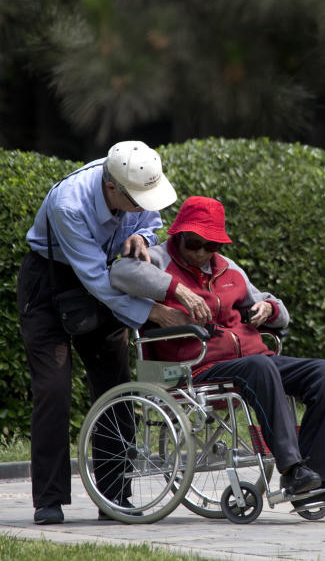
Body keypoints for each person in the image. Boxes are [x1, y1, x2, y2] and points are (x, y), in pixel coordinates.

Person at [109, 196, 325, 505]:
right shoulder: (157, 259)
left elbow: (277, 310)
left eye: (210, 246)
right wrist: (176, 290)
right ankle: (293, 470)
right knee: (258, 368)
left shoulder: (229, 268)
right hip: (197, 366)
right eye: (193, 243)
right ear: (177, 235)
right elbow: (118, 274)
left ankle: (319, 479)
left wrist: (268, 307)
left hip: (252, 360)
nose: (201, 253)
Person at [17, 140, 193, 525]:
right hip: (49, 284)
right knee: (53, 389)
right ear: (112, 188)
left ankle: (115, 496)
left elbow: (151, 222)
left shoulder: (134, 176)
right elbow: (94, 278)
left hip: (106, 279)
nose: (146, 204)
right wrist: (153, 312)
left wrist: (141, 238)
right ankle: (49, 499)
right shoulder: (70, 204)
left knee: (116, 386)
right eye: (138, 200)